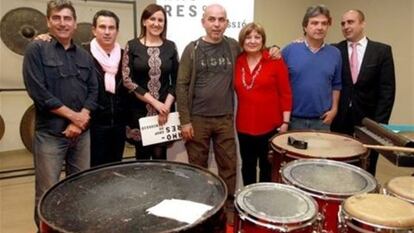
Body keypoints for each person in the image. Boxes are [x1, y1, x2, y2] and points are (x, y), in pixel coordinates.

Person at [22, 0, 98, 229]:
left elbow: (94, 89)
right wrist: (74, 117)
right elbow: (38, 92)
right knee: (47, 193)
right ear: (48, 21)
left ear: (75, 24)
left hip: (81, 135)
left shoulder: (84, 56)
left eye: (67, 18)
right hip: (50, 136)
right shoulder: (36, 49)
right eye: (57, 18)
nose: (62, 23)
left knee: (80, 188)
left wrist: (82, 117)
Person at [175, 3, 240, 224]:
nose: (216, 24)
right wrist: (185, 121)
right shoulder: (191, 49)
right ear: (203, 22)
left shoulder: (233, 46)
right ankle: (201, 210)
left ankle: (228, 208)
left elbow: (257, 52)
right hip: (197, 119)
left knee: (229, 167)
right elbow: (181, 86)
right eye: (212, 19)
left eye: (221, 20)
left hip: (224, 119)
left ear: (227, 23)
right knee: (198, 168)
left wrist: (275, 48)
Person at [331, 9, 395, 175]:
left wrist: (379, 125)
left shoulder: (381, 51)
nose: (346, 26)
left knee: (366, 166)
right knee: (339, 165)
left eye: (350, 22)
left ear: (362, 24)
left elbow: (387, 90)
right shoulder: (335, 51)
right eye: (343, 23)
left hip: (369, 121)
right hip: (340, 120)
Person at [235, 23, 292, 185]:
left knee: (267, 168)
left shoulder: (275, 60)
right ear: (242, 40)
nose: (252, 41)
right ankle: (248, 204)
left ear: (263, 40)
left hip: (270, 126)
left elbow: (285, 93)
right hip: (244, 126)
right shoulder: (237, 61)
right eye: (248, 37)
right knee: (247, 167)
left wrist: (285, 122)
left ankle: (264, 206)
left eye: (257, 37)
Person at [122, 4, 178, 160]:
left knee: (160, 157)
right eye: (152, 19)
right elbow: (127, 80)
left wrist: (165, 107)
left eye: (161, 20)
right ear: (144, 21)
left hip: (164, 112)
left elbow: (177, 80)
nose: (156, 23)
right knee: (142, 157)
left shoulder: (171, 46)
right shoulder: (132, 46)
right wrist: (155, 103)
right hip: (139, 111)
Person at [282, 4, 342, 130]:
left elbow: (336, 85)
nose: (320, 27)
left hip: (322, 121)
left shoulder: (335, 53)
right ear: (305, 26)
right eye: (314, 23)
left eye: (324, 23)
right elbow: (280, 85)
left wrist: (334, 110)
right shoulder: (289, 51)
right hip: (294, 121)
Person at [87, 10, 128, 167]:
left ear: (117, 31)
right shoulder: (83, 54)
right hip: (93, 125)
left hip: (118, 124)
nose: (107, 32)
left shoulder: (125, 56)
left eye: (111, 28)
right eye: (102, 27)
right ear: (94, 30)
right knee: (94, 170)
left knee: (115, 168)